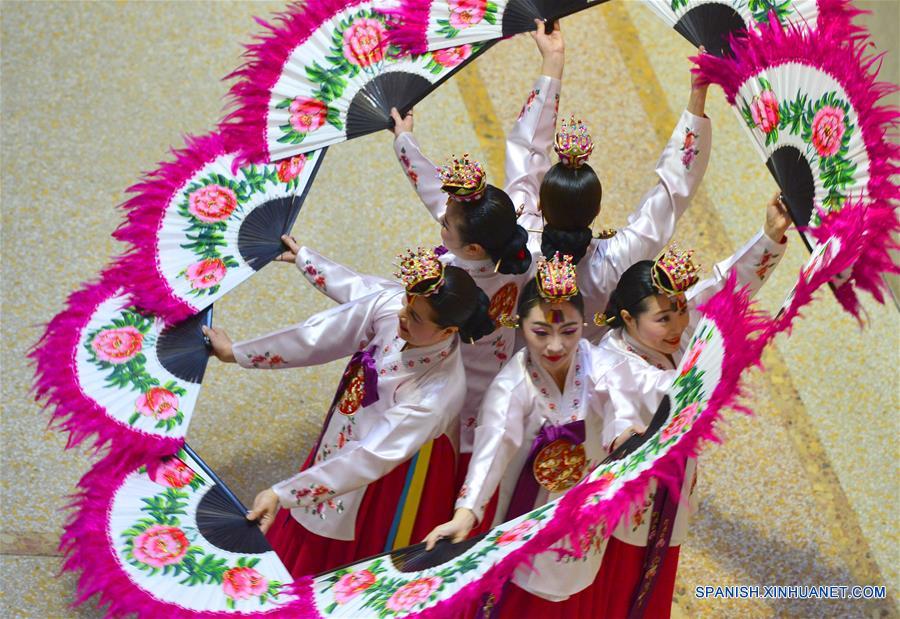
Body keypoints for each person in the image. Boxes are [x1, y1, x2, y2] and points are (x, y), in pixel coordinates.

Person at [203, 248, 492, 575]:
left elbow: (367, 458)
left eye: (415, 317)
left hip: (390, 460)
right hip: (351, 431)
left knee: (337, 530)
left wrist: (283, 493)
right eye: (406, 304)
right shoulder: (398, 309)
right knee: (327, 466)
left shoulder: (437, 393)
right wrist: (239, 352)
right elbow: (323, 330)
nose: (402, 315)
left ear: (448, 332)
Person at [591, 193, 791, 617]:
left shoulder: (671, 327)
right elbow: (661, 393)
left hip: (672, 480)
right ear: (627, 319)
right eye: (664, 318)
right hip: (626, 495)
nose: (679, 325)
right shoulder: (613, 362)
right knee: (615, 588)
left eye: (680, 311)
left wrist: (771, 234)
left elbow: (725, 285)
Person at [387, 19, 563, 490]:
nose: (439, 222)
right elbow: (533, 146)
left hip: (444, 388)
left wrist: (403, 140)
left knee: (428, 477)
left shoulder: (444, 279)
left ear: (472, 247)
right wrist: (552, 61)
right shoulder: (523, 233)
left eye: (445, 224)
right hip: (502, 387)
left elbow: (434, 193)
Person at [422, 254, 638, 617]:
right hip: (522, 514)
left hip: (580, 515)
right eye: (541, 332)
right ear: (520, 325)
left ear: (583, 325)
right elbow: (492, 450)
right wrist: (466, 512)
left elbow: (621, 399)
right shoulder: (511, 387)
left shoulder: (600, 364)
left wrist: (624, 433)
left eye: (568, 330)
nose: (555, 346)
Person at [538, 53, 713, 341]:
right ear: (597, 210)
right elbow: (671, 192)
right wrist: (697, 95)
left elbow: (526, 150)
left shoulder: (519, 252)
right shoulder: (617, 257)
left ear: (540, 206)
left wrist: (553, 61)